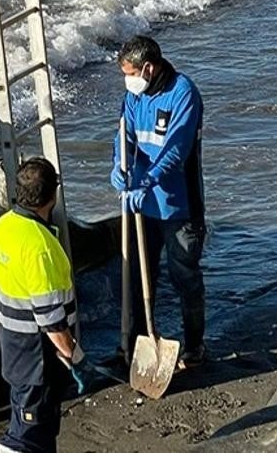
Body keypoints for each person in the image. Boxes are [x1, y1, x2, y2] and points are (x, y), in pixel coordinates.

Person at [110, 35, 207, 367]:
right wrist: (119, 166)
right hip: (141, 207)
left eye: (131, 73)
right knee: (136, 277)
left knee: (185, 276)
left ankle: (194, 345)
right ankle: (133, 345)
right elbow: (124, 136)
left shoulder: (184, 94)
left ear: (148, 68)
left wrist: (148, 179)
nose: (128, 81)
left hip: (179, 206)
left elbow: (176, 151)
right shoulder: (133, 98)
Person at [0, 157, 93, 453]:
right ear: (52, 195)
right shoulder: (40, 247)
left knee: (28, 417)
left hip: (12, 344)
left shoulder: (4, 226)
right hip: (37, 354)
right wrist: (74, 355)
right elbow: (50, 319)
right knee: (30, 431)